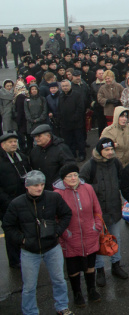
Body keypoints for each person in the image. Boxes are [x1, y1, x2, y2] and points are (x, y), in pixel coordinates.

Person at [2, 170, 75, 315]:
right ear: (27, 186)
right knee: (29, 286)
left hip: (52, 248)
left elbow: (66, 213)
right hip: (30, 251)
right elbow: (8, 226)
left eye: (42, 184)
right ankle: (30, 312)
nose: (39, 188)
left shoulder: (53, 197)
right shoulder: (17, 204)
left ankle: (62, 307)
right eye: (35, 185)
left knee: (59, 280)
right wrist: (22, 240)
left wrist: (57, 232)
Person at [79, 138, 128, 285]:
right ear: (100, 151)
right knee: (98, 242)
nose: (110, 152)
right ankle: (99, 270)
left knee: (116, 238)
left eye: (111, 149)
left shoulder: (116, 163)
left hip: (113, 209)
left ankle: (116, 265)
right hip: (96, 213)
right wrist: (97, 189)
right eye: (107, 150)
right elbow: (81, 186)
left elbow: (122, 180)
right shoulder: (90, 166)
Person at [53, 163, 103, 308]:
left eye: (75, 175)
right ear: (63, 178)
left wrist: (97, 226)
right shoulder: (58, 194)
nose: (73, 178)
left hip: (90, 234)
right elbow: (55, 218)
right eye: (69, 176)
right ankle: (77, 293)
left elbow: (97, 209)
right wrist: (64, 233)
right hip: (70, 237)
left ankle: (91, 289)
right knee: (73, 268)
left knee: (90, 264)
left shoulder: (88, 188)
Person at [0, 132, 33, 269]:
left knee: (25, 227)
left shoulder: (22, 157)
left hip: (24, 200)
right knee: (11, 232)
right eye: (10, 142)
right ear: (2, 145)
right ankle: (14, 260)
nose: (14, 144)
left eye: (15, 141)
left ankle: (27, 255)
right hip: (7, 204)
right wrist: (7, 201)